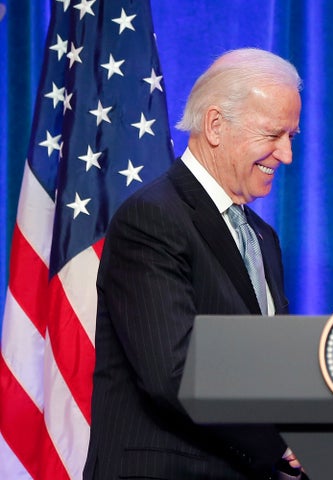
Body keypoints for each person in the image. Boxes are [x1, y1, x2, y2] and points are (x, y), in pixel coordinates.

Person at [83, 48, 307, 479]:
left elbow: (270, 361)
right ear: (215, 125)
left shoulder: (262, 236)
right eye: (273, 134)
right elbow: (175, 369)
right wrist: (283, 439)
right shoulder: (153, 219)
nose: (286, 155)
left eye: (291, 137)